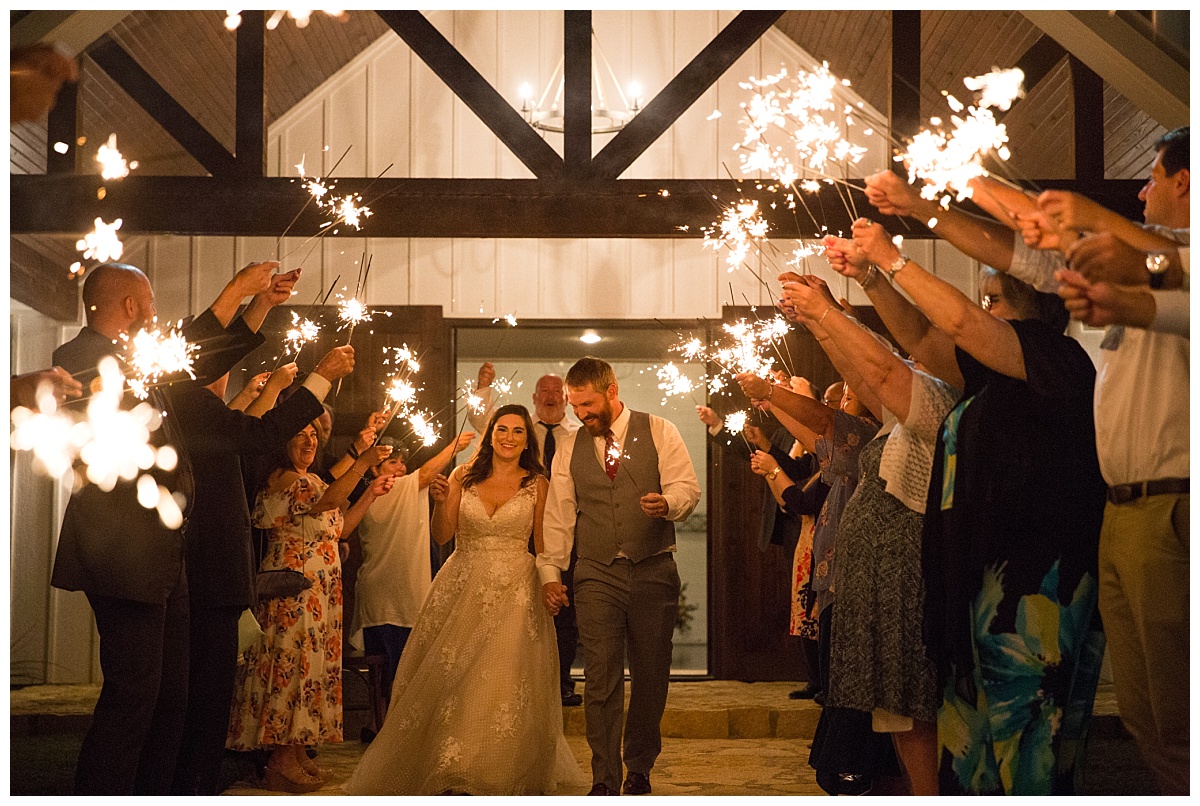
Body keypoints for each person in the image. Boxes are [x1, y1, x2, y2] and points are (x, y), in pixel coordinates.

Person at [850, 217, 1107, 795]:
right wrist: (870, 280)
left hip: (1033, 589)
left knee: (1028, 740)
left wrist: (891, 257)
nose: (981, 309)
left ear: (1028, 308)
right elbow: (921, 340)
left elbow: (959, 320)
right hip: (979, 580)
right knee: (973, 751)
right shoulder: (991, 378)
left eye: (994, 298)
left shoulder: (1057, 360)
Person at [49, 260, 274, 795]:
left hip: (166, 557)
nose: (155, 314)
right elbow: (169, 362)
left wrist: (257, 306)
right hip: (123, 558)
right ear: (130, 306)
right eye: (149, 303)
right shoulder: (79, 358)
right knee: (134, 695)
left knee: (172, 696)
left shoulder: (146, 367)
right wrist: (232, 291)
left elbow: (199, 360)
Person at [168, 268, 365, 796]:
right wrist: (316, 378)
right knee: (200, 694)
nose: (229, 370)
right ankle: (190, 783)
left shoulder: (191, 400)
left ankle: (197, 777)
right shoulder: (188, 404)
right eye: (220, 362)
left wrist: (260, 304)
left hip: (220, 568)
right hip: (205, 565)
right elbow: (262, 432)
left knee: (206, 691)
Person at [343, 405, 586, 795]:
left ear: (528, 441)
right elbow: (442, 537)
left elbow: (544, 545)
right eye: (501, 429)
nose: (508, 437)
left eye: (517, 432)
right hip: (462, 584)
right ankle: (451, 766)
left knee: (501, 679)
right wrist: (441, 503)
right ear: (490, 434)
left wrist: (549, 583)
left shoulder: (537, 485)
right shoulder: (462, 476)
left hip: (516, 590)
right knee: (456, 676)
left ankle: (495, 770)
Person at [539, 357, 701, 796]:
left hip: (653, 567)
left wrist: (668, 504)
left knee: (651, 673)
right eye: (575, 406)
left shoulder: (660, 429)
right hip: (595, 571)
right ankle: (604, 778)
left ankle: (640, 766)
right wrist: (551, 570)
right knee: (600, 676)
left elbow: (687, 487)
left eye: (588, 404)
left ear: (611, 391)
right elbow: (558, 514)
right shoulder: (571, 446)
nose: (581, 414)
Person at [226, 424, 395, 793]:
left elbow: (340, 528)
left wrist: (371, 494)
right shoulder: (285, 479)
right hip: (295, 590)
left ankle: (298, 749)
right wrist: (362, 463)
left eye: (314, 436)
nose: (309, 441)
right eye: (300, 434)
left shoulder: (313, 480)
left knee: (312, 670)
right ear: (282, 440)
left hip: (321, 595)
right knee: (294, 668)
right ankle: (280, 759)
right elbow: (326, 502)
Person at [470, 365, 586, 706]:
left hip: (568, 529)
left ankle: (561, 680)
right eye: (544, 392)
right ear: (535, 398)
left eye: (556, 392)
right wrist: (483, 388)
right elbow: (482, 423)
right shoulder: (520, 433)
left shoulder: (579, 433)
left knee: (564, 611)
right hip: (519, 528)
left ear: (565, 398)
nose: (550, 398)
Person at [348, 431, 477, 699]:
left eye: (402, 462)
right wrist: (453, 446)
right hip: (392, 599)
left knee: (391, 675)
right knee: (395, 676)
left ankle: (380, 726)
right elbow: (426, 473)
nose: (400, 468)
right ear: (375, 468)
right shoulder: (381, 491)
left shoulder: (381, 493)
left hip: (386, 596)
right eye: (392, 462)